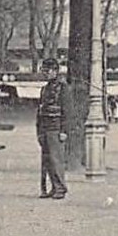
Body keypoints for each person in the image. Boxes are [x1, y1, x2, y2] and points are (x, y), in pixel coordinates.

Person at [36, 59, 71, 200]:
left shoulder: (63, 88)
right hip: (45, 128)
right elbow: (39, 111)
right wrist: (39, 131)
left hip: (56, 128)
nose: (46, 74)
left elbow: (67, 111)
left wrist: (64, 131)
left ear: (56, 71)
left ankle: (61, 188)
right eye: (44, 71)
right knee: (47, 161)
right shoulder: (44, 89)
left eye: (48, 71)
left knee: (56, 160)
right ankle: (52, 187)